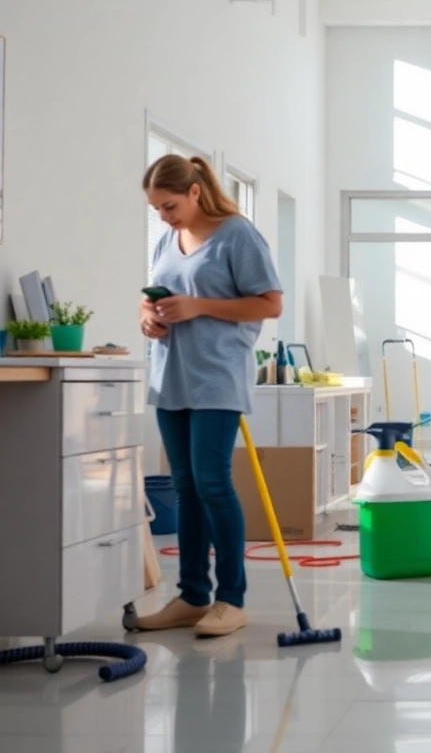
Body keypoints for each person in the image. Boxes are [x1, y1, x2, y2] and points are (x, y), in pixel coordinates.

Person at [133, 154, 283, 637]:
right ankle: (193, 595)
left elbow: (269, 302)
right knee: (185, 489)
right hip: (169, 377)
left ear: (195, 192)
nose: (164, 216)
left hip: (216, 378)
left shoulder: (237, 234)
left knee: (213, 483)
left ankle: (231, 599)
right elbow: (152, 299)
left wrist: (197, 305)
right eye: (157, 208)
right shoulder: (166, 241)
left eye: (170, 205)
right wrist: (148, 318)